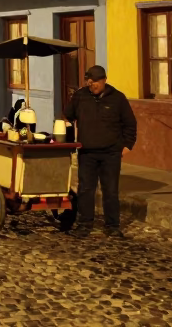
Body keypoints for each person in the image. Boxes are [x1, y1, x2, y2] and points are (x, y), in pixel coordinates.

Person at [64, 64, 137, 239]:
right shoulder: (80, 96)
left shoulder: (118, 99)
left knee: (110, 191)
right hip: (87, 152)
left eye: (96, 81)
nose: (92, 84)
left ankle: (112, 226)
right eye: (90, 81)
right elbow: (67, 115)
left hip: (111, 153)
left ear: (104, 80)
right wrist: (67, 134)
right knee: (86, 190)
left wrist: (127, 146)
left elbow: (130, 124)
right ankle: (84, 224)